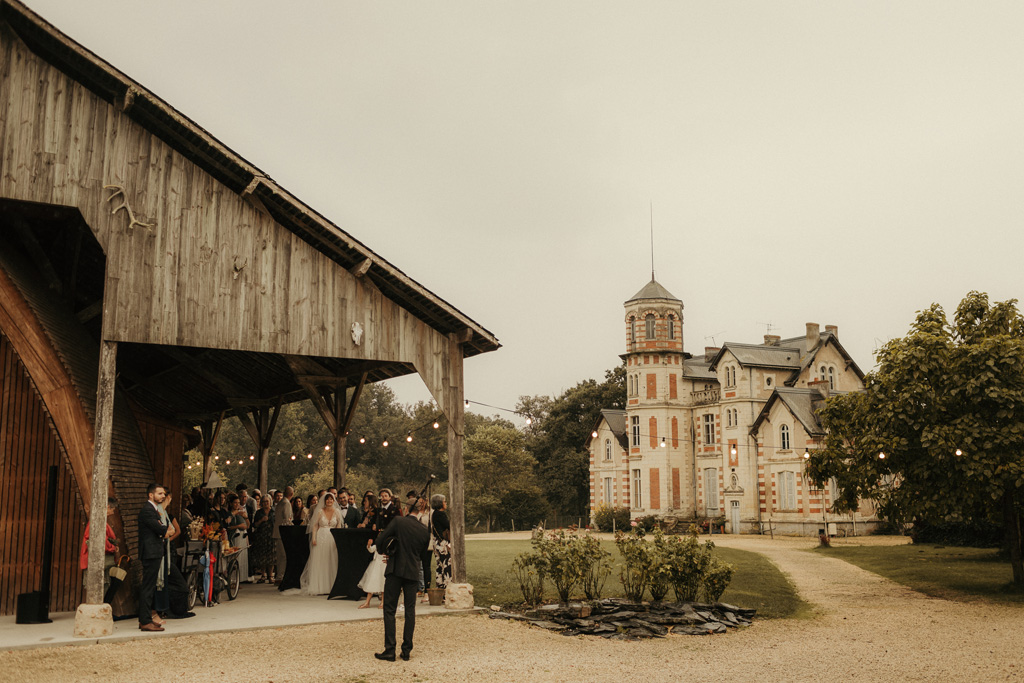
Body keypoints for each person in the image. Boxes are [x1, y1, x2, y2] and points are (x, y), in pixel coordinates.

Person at [374, 513, 430, 662]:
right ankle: (406, 650)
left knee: (389, 609)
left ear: (407, 508)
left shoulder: (399, 521)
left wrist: (386, 551)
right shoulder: (425, 530)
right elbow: (423, 555)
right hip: (413, 572)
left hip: (395, 570)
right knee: (410, 610)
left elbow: (380, 540)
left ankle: (390, 649)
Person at [138, 483, 171, 631]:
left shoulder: (153, 509)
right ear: (151, 495)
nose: (163, 496)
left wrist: (164, 530)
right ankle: (145, 620)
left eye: (163, 494)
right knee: (148, 587)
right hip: (150, 552)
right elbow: (161, 529)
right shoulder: (147, 510)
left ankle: (146, 619)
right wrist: (164, 530)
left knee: (150, 586)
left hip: (154, 551)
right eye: (160, 494)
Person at [300, 493, 342, 595]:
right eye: (327, 499)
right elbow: (315, 526)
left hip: (332, 538)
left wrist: (338, 539)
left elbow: (339, 526)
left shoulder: (337, 512)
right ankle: (319, 587)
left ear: (334, 501)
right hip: (321, 537)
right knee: (320, 561)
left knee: (331, 560)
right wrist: (314, 538)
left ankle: (331, 586)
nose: (329, 501)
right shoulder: (319, 511)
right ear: (324, 501)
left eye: (331, 499)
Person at [79, 497, 119, 594]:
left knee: (99, 588)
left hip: (96, 559)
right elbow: (101, 542)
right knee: (98, 589)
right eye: (112, 510)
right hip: (97, 559)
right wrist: (113, 548)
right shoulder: (98, 521)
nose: (113, 513)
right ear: (108, 507)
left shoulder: (98, 520)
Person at [250, 494, 275, 583]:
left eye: (267, 501)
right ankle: (263, 575)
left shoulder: (274, 511)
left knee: (271, 556)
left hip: (271, 536)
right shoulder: (259, 512)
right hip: (261, 536)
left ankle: (270, 576)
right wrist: (261, 520)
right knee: (262, 556)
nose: (265, 503)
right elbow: (255, 525)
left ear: (270, 502)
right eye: (263, 502)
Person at [272, 486, 294, 583]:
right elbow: (287, 519)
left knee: (280, 556)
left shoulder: (280, 502)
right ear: (292, 494)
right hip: (283, 533)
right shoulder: (286, 503)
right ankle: (281, 577)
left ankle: (279, 576)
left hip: (277, 532)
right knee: (284, 556)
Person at [226, 495, 250, 582]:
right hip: (234, 537)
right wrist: (238, 526)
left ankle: (240, 579)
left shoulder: (241, 512)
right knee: (234, 558)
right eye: (235, 503)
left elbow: (248, 525)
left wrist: (245, 517)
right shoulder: (229, 514)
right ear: (231, 504)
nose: (237, 504)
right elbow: (227, 525)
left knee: (242, 557)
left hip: (242, 536)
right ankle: (232, 580)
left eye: (238, 503)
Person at [357, 537, 386, 608]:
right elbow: (371, 550)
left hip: (384, 566)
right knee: (371, 582)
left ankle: (383, 602)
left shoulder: (387, 546)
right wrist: (369, 545)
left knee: (383, 583)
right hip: (376, 566)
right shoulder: (376, 546)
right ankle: (367, 602)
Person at [431, 494, 452, 590]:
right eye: (444, 501)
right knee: (446, 565)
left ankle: (440, 587)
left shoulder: (434, 514)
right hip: (443, 543)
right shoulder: (440, 514)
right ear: (440, 503)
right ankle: (447, 588)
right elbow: (449, 525)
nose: (446, 503)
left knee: (439, 566)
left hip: (437, 542)